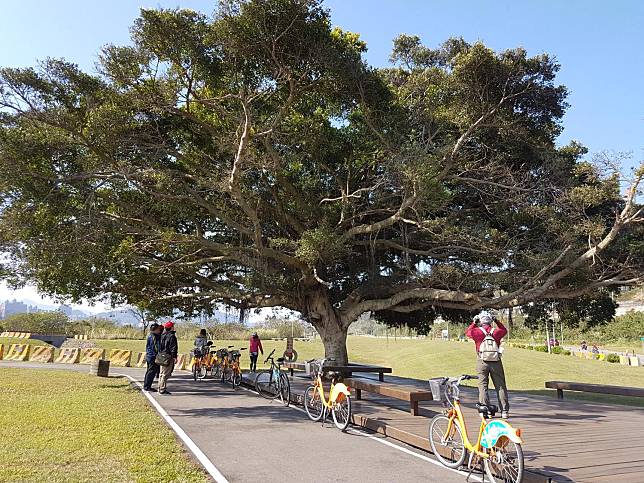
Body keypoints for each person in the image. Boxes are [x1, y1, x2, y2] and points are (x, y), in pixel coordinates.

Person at [465, 311, 510, 419]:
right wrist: (497, 321)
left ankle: (485, 410)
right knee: (500, 386)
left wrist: (474, 323)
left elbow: (468, 332)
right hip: (496, 361)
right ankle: (504, 411)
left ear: (480, 321)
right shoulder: (496, 332)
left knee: (483, 386)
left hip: (482, 361)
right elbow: (504, 330)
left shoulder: (477, 332)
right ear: (490, 321)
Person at [158, 321, 178, 395]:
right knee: (165, 373)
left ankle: (160, 387)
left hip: (162, 355)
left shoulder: (162, 335)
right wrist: (174, 357)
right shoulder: (172, 336)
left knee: (162, 373)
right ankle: (162, 389)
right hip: (168, 356)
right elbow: (173, 348)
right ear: (171, 327)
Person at [143, 323, 163, 392]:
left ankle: (146, 385)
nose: (159, 330)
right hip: (152, 356)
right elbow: (155, 347)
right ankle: (147, 386)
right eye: (158, 329)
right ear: (156, 329)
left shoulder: (150, 336)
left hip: (149, 355)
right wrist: (158, 354)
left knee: (149, 371)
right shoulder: (153, 337)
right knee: (151, 372)